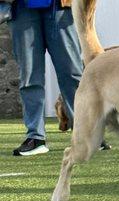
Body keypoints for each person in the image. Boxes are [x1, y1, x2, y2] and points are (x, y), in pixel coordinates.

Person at [6, 0, 109, 156]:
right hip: (20, 8)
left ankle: (87, 133)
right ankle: (35, 137)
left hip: (61, 7)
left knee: (72, 75)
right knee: (29, 77)